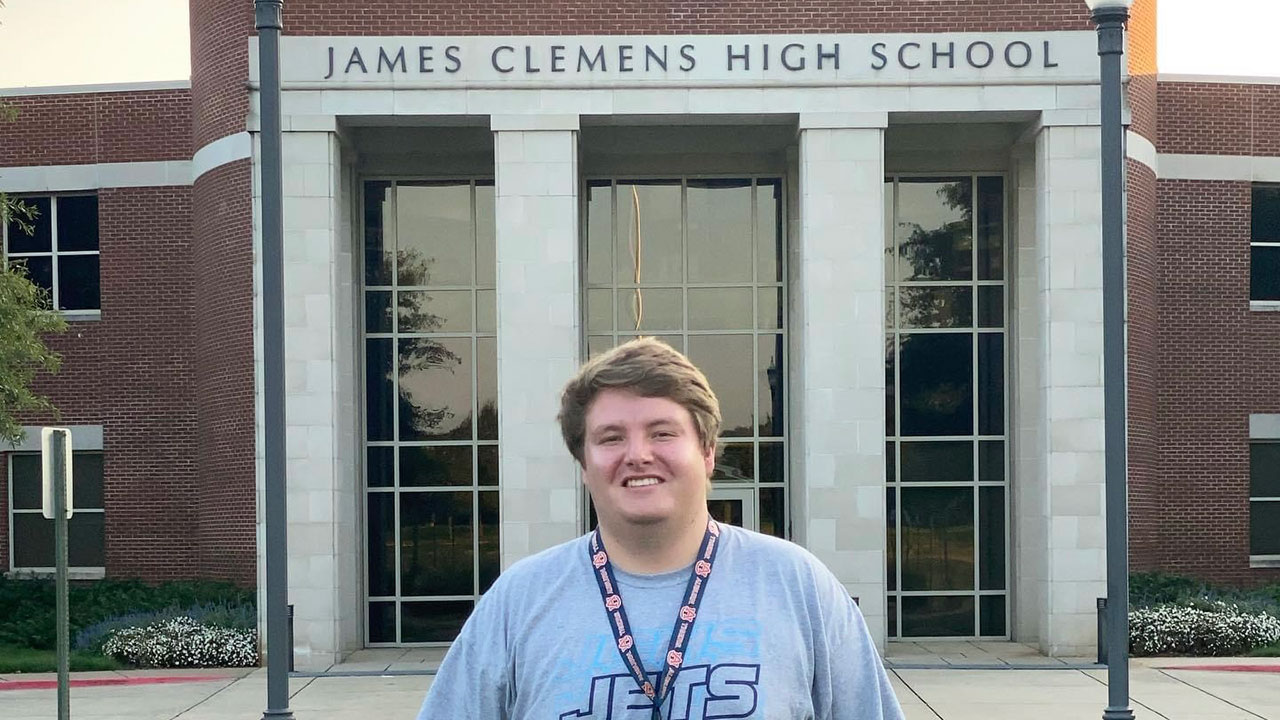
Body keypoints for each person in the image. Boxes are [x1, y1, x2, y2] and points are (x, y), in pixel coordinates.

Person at [417, 337, 904, 720]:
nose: (638, 455)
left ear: (708, 452)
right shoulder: (519, 600)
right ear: (584, 465)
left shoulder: (799, 585)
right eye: (610, 438)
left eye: (663, 433)